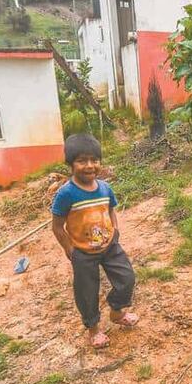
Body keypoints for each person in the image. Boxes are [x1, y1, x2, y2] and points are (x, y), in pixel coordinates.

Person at [51, 133, 139, 348]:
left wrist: (115, 230)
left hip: (110, 246)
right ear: (70, 164)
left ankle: (117, 312)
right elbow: (57, 226)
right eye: (82, 161)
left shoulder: (105, 188)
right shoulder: (66, 194)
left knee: (127, 277)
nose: (89, 166)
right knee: (87, 292)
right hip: (83, 252)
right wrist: (69, 248)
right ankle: (93, 329)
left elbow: (110, 209)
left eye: (94, 160)